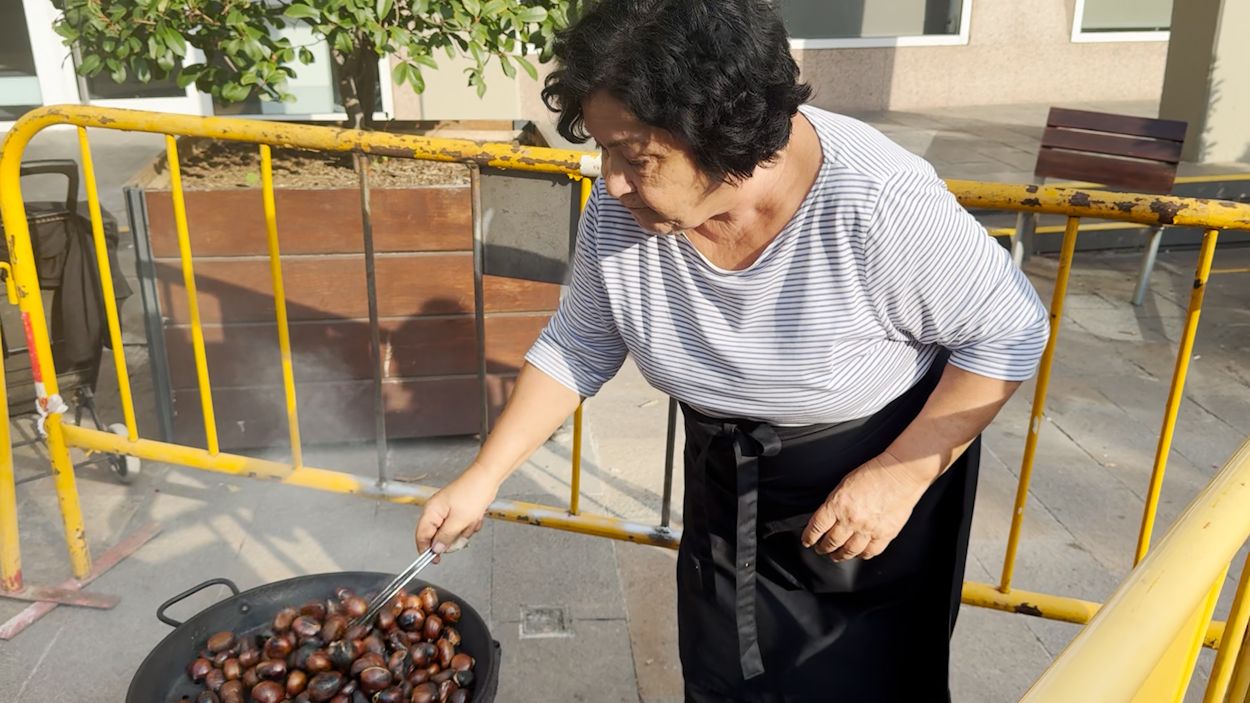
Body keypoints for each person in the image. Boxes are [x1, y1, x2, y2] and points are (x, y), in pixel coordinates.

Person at [416, 0, 1049, 700]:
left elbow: (1010, 329)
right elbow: (579, 342)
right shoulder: (624, 208)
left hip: (865, 491)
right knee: (723, 677)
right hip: (728, 483)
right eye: (604, 150)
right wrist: (484, 474)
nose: (613, 179)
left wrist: (898, 475)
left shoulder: (876, 201)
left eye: (636, 156)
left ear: (724, 130)